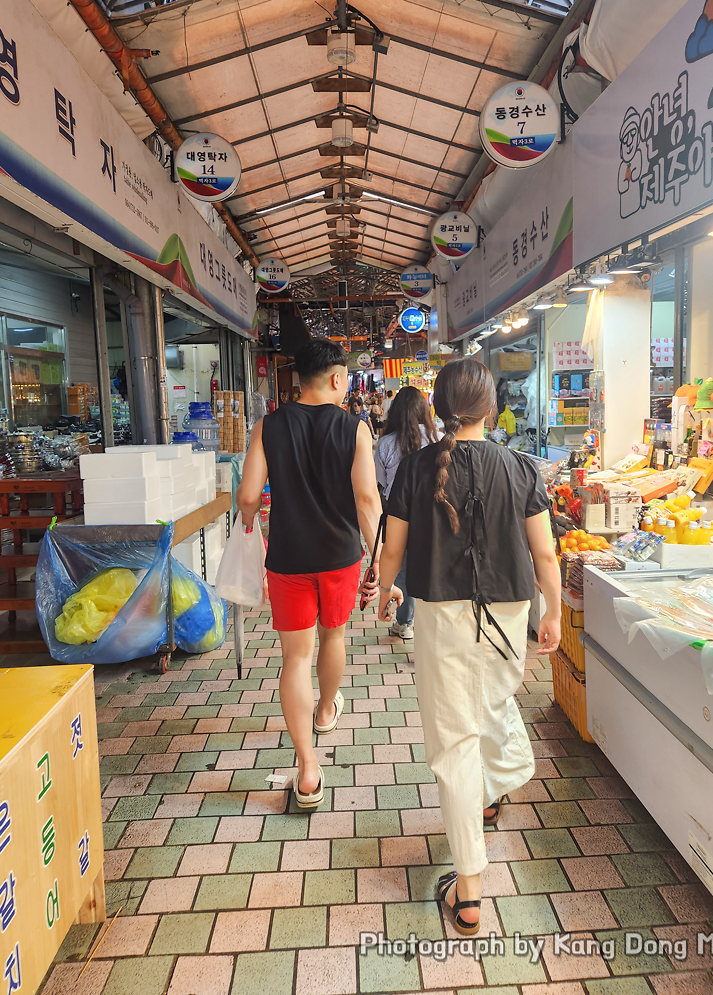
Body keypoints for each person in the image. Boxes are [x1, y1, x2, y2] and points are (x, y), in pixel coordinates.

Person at [376, 357, 561, 935]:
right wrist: (551, 609)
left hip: (440, 616)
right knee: (491, 705)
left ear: (438, 409)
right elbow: (546, 554)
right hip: (509, 612)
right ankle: (491, 788)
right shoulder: (522, 467)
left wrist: (384, 591)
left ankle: (471, 886)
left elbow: (393, 549)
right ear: (491, 408)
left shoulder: (414, 467)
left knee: (454, 742)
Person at [236, 339, 383, 810]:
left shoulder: (268, 426)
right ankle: (325, 710)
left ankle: (307, 770)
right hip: (340, 555)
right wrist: (378, 556)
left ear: (298, 379)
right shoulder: (355, 428)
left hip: (288, 557)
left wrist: (251, 521)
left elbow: (247, 495)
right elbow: (366, 501)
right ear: (339, 379)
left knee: (294, 658)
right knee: (334, 637)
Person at [373, 386, 438, 639]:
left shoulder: (386, 443)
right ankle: (429, 622)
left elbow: (380, 482)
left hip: (397, 510)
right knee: (430, 562)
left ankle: (404, 622)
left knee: (399, 562)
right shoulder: (437, 438)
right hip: (431, 511)